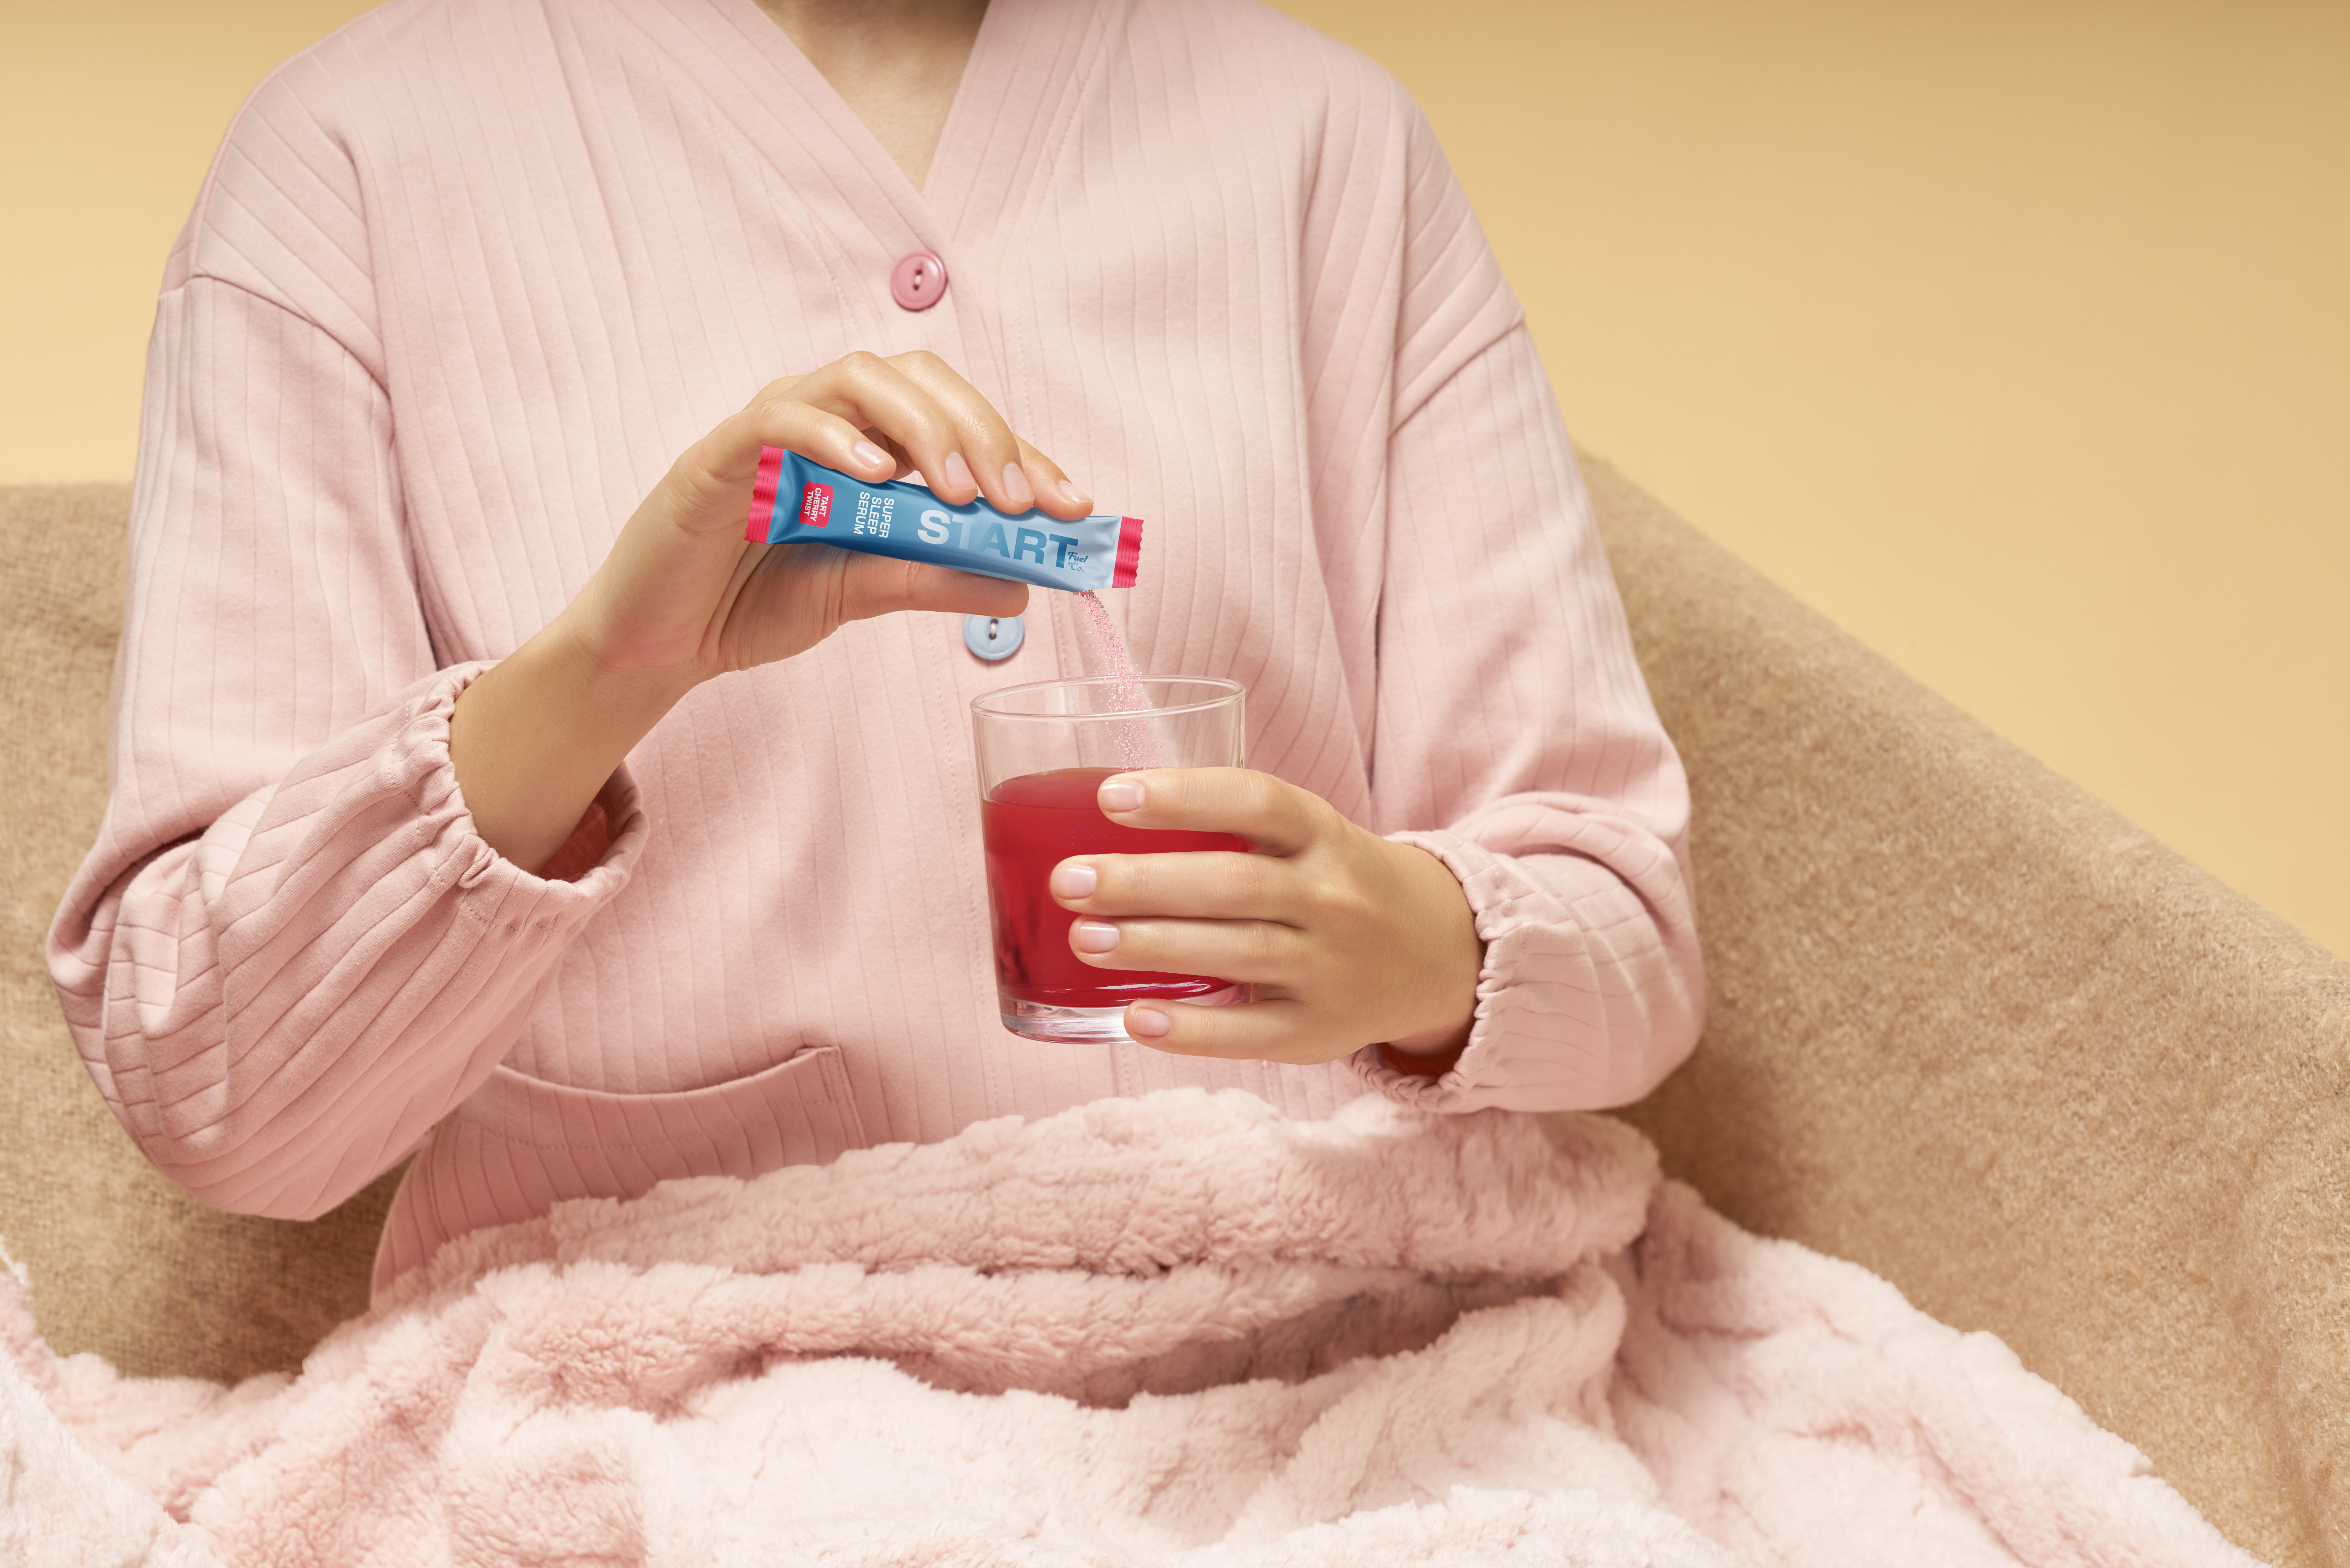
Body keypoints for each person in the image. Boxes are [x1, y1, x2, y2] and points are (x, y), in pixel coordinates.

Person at [49, 0, 1705, 1293]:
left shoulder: (1331, 144)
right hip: (656, 1401)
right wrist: (615, 663)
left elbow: (1629, 934)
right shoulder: (343, 164)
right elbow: (226, 1103)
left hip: (1333, 1338)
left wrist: (1416, 951)